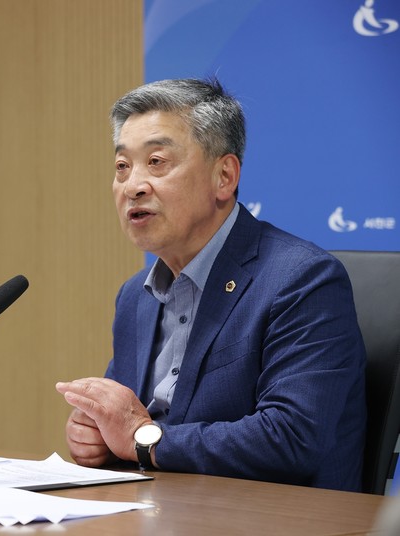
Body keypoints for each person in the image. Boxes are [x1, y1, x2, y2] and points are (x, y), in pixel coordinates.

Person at [55, 78, 366, 491]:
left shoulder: (301, 280)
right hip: (158, 509)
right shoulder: (134, 296)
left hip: (272, 515)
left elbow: (293, 437)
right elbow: (126, 424)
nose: (132, 186)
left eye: (157, 162)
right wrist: (96, 434)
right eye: (122, 166)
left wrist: (143, 439)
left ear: (224, 176)